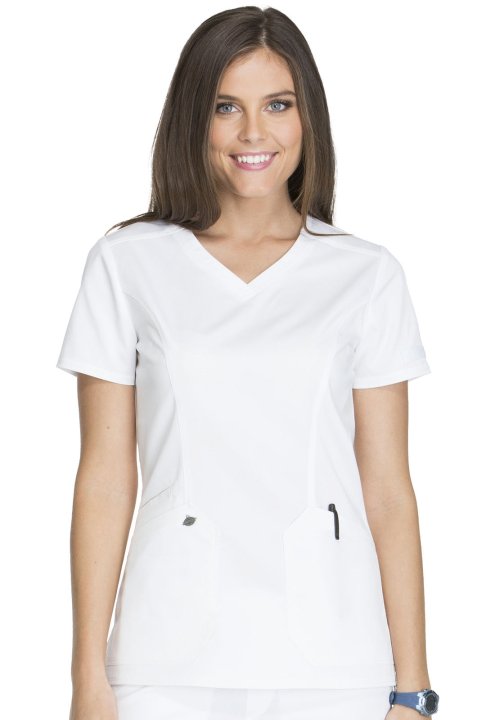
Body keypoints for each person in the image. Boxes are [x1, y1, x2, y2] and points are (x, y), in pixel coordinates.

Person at [56, 7, 440, 720]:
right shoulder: (127, 263)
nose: (253, 132)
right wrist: (87, 678)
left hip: (335, 664)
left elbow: (387, 488)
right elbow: (104, 479)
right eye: (225, 106)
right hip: (163, 662)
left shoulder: (365, 275)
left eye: (277, 105)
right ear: (192, 120)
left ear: (308, 118)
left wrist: (412, 691)